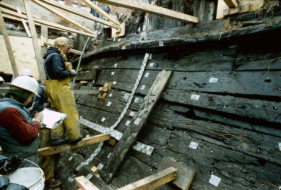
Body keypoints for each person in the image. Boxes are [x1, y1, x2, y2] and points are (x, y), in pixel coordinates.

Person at [0, 76, 43, 167]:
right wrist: (37, 120)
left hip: (19, 155)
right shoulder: (10, 111)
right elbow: (27, 135)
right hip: (22, 159)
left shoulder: (8, 106)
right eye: (31, 97)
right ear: (24, 94)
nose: (31, 100)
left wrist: (34, 124)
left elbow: (18, 126)